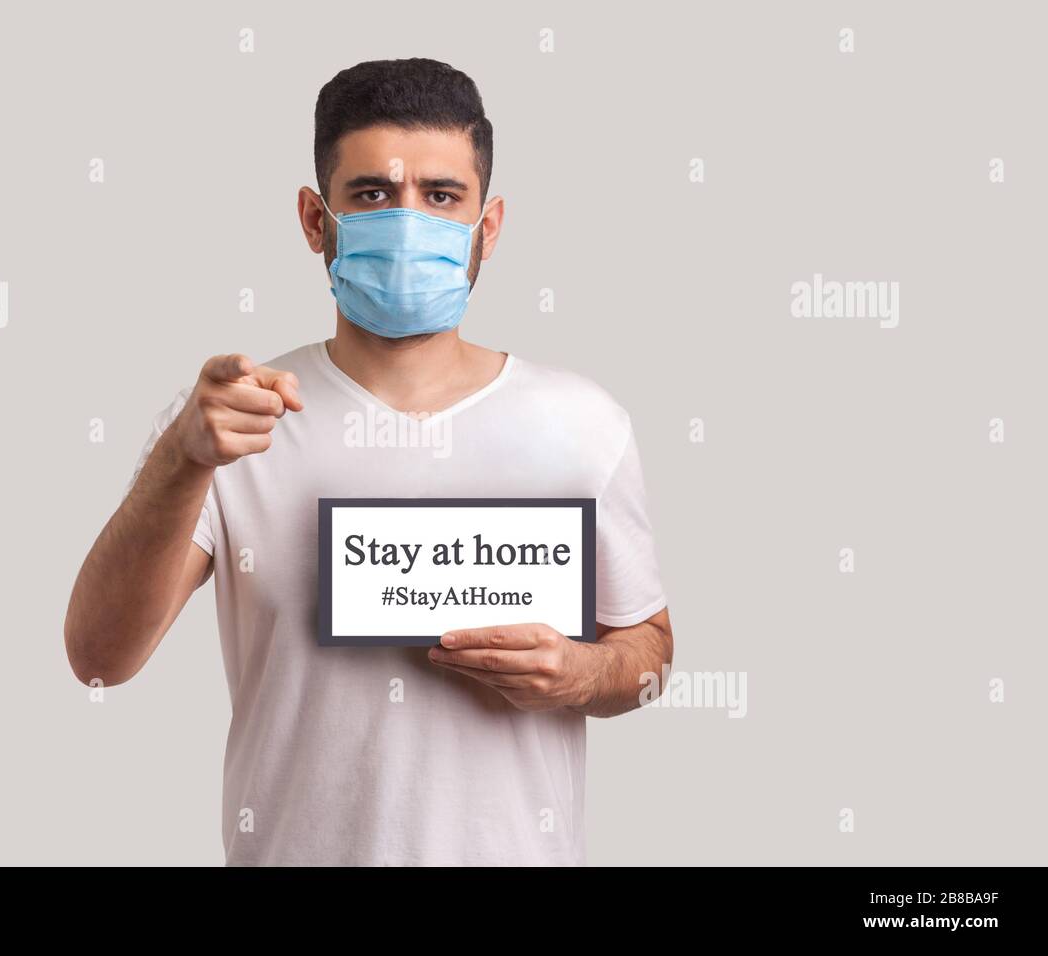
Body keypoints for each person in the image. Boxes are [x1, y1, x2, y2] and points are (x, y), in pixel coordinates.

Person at [64, 58, 672, 866]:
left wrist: (580, 674)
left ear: (486, 228)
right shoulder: (235, 418)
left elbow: (649, 649)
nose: (409, 221)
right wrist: (182, 459)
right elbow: (99, 660)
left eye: (441, 195)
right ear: (318, 221)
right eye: (374, 195)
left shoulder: (583, 421)